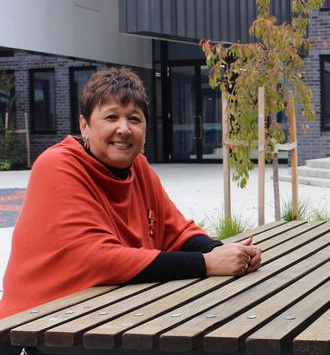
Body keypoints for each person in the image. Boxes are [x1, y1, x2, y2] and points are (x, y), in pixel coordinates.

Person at [0, 68, 262, 320]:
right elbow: (99, 259)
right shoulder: (57, 166)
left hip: (104, 313)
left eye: (134, 119)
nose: (124, 129)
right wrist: (206, 263)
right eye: (111, 117)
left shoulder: (139, 167)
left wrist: (226, 252)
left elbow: (177, 232)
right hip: (36, 325)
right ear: (84, 126)